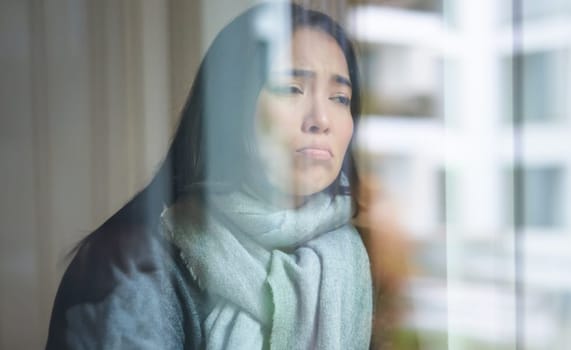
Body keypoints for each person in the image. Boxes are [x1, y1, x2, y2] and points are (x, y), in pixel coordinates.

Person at [45, 3, 373, 349]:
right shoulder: (135, 265)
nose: (321, 119)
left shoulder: (344, 258)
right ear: (230, 104)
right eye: (292, 88)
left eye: (340, 98)